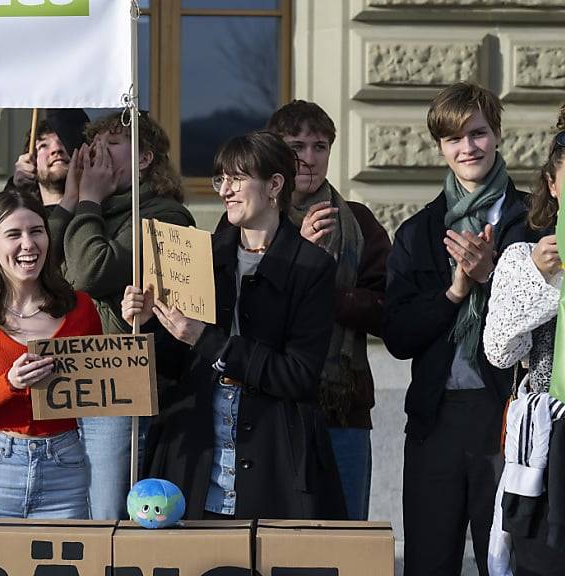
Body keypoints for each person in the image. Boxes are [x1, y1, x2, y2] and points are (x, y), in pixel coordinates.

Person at [123, 130, 345, 520]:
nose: (225, 190)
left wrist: (208, 341)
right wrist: (143, 326)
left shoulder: (312, 267)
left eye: (238, 178)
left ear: (275, 184)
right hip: (194, 454)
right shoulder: (202, 256)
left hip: (274, 456)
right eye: (220, 179)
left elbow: (299, 376)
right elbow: (173, 365)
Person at [384, 82, 538, 575]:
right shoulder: (418, 231)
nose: (467, 147)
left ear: (496, 136)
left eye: (478, 133)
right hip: (436, 419)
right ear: (440, 147)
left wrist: (492, 277)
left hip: (507, 417)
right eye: (454, 138)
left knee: (509, 563)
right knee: (428, 562)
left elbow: (544, 320)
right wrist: (454, 292)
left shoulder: (535, 219)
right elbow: (399, 336)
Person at [48, 111, 195, 520]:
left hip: (111, 386)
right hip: (62, 375)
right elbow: (42, 265)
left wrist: (90, 201)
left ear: (144, 158)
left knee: (102, 516)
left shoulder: (163, 214)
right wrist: (69, 201)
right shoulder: (91, 207)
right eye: (93, 143)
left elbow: (88, 271)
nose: (96, 152)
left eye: (112, 144)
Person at [266, 100, 392, 520]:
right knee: (276, 538)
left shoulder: (359, 222)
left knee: (345, 534)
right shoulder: (248, 221)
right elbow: (244, 309)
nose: (308, 158)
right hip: (271, 405)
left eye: (320, 146)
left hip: (343, 406)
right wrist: (297, 253)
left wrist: (325, 292)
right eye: (296, 145)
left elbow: (386, 309)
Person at [0, 188, 102, 519]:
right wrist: (9, 384)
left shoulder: (82, 309)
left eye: (36, 231)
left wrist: (135, 324)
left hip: (65, 467)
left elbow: (102, 397)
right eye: (13, 234)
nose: (28, 244)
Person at [483, 106, 565, 576]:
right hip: (548, 445)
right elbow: (499, 350)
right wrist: (539, 276)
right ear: (552, 186)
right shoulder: (522, 257)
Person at [11, 109, 90, 207]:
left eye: (63, 142)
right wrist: (16, 190)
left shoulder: (100, 212)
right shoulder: (23, 217)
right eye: (43, 145)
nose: (56, 149)